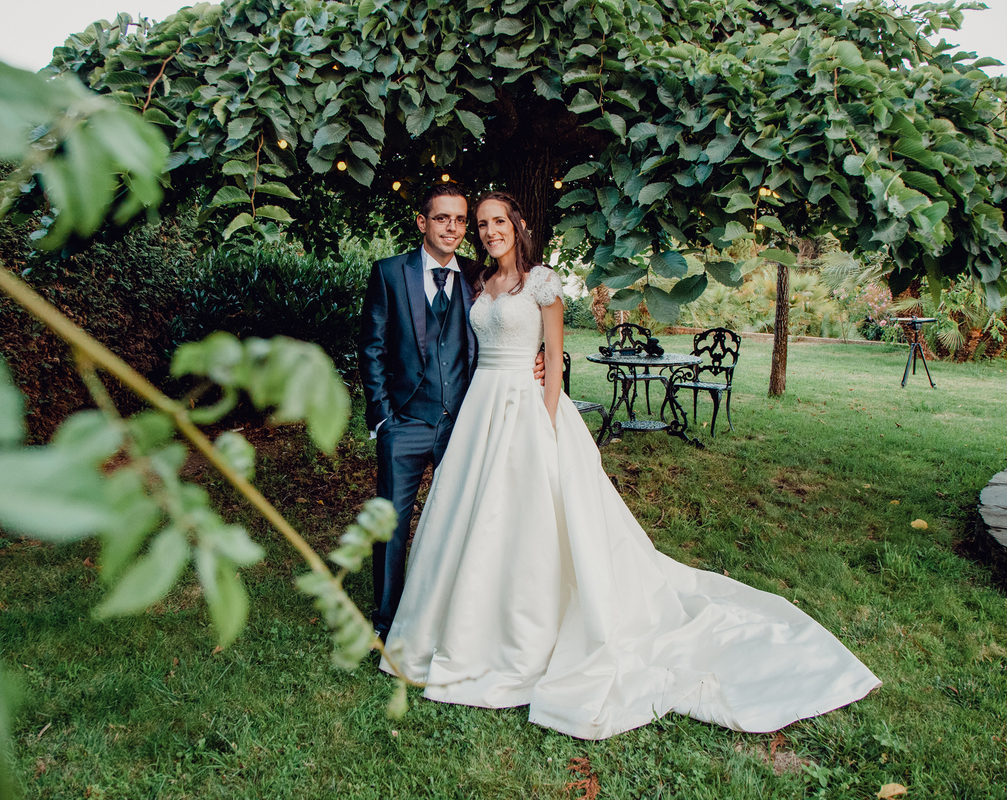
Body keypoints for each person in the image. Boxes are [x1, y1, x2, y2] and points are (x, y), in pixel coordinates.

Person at [380, 190, 881, 740]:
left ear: (518, 225)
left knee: (530, 521)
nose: (488, 231)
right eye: (481, 224)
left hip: (527, 411)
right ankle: (460, 625)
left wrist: (545, 423)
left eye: (498, 221)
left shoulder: (543, 283)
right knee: (471, 518)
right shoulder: (478, 282)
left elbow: (554, 360)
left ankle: (523, 635)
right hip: (481, 410)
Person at [358, 185, 542, 642]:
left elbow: (508, 323)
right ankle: (386, 621)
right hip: (404, 422)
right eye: (442, 218)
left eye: (461, 220)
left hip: (464, 423)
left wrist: (532, 359)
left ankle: (450, 618)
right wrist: (383, 418)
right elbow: (372, 348)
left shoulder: (478, 277)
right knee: (392, 525)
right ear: (423, 222)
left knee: (462, 520)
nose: (453, 228)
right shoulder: (389, 273)